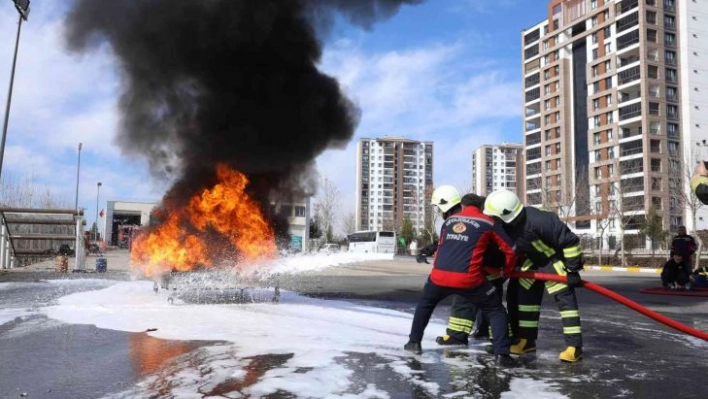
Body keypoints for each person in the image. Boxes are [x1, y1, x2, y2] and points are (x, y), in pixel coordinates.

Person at [403, 185, 518, 366]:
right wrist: (508, 270)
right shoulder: (489, 222)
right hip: (469, 279)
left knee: (425, 305)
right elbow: (510, 249)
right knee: (496, 311)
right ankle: (502, 354)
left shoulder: (449, 222)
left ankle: (413, 342)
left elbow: (442, 246)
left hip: (438, 277)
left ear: (463, 206)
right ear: (482, 207)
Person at [483, 189, 585, 363]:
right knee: (520, 296)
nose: (493, 220)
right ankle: (526, 341)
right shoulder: (506, 227)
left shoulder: (541, 220)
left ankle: (574, 347)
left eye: (495, 217)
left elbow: (570, 241)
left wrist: (573, 270)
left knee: (565, 301)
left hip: (555, 261)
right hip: (534, 262)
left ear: (506, 214)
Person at [435, 193, 510, 346]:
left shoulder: (473, 220)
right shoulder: (477, 218)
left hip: (484, 269)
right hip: (480, 268)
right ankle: (486, 335)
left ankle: (492, 337)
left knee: (480, 303)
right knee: (478, 302)